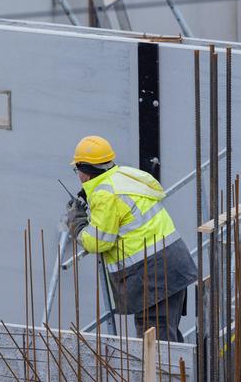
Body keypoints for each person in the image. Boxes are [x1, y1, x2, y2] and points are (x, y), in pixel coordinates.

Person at [66, 135, 197, 340]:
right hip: (172, 265)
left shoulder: (104, 194)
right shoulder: (125, 176)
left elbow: (98, 241)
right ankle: (183, 372)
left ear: (85, 171)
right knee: (168, 339)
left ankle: (165, 374)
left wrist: (77, 223)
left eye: (77, 170)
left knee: (155, 346)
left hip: (152, 277)